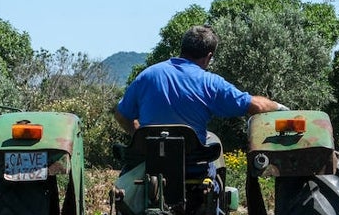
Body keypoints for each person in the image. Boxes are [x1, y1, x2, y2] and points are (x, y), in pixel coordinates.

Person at [113, 25, 286, 146]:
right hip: (193, 169)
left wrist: (138, 136)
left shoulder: (148, 75)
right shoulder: (210, 83)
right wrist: (281, 108)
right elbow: (255, 105)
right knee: (214, 151)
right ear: (208, 56)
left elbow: (121, 114)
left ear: (183, 48)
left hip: (150, 163)